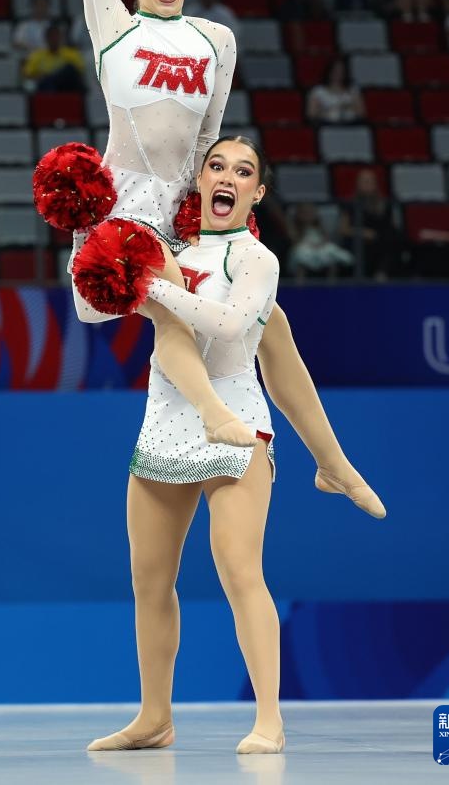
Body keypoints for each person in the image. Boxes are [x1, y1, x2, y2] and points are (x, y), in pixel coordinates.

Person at [66, 0, 386, 513]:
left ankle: (332, 463)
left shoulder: (217, 40)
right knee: (175, 307)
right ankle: (215, 415)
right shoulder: (114, 27)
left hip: (183, 206)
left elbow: (209, 138)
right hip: (124, 208)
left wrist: (208, 206)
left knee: (272, 323)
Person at [86, 136, 380, 757]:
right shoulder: (171, 250)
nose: (227, 176)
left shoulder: (256, 260)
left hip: (238, 424)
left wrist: (149, 283)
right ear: (199, 180)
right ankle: (154, 718)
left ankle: (269, 720)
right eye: (216, 166)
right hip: (165, 424)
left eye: (243, 171)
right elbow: (105, 313)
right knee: (149, 581)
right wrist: (91, 244)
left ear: (257, 192)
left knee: (240, 572)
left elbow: (228, 325)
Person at [339, 168, 403, 279]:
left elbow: (392, 226)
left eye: (370, 181)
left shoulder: (384, 204)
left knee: (393, 238)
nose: (368, 184)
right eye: (364, 181)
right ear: (358, 184)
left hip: (381, 239)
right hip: (359, 240)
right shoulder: (350, 204)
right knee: (369, 245)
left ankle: (382, 272)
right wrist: (362, 232)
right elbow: (343, 229)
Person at [287, 202, 353, 281]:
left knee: (330, 255)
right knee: (301, 256)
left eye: (310, 212)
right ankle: (299, 283)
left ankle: (331, 283)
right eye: (305, 213)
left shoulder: (319, 226)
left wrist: (320, 244)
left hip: (320, 247)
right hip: (304, 248)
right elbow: (295, 240)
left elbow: (325, 238)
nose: (308, 215)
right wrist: (308, 244)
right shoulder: (296, 227)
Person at [22, 22, 85, 91]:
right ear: (46, 38)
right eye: (51, 37)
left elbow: (80, 72)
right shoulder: (37, 56)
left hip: (67, 87)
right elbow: (28, 74)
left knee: (69, 69)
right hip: (46, 87)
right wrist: (43, 76)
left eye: (56, 36)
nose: (54, 39)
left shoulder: (72, 54)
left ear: (60, 37)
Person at [306, 58, 365, 123]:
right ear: (329, 71)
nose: (338, 74)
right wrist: (330, 111)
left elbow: (361, 113)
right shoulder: (318, 91)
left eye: (341, 71)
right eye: (335, 71)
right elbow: (311, 115)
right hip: (326, 124)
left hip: (350, 124)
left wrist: (346, 108)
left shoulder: (352, 90)